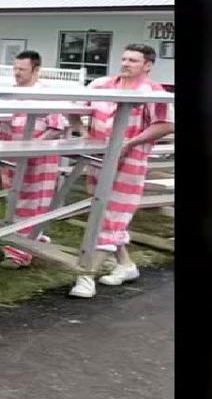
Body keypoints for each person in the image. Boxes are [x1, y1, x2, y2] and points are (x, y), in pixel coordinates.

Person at [67, 44, 175, 298]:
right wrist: (82, 131)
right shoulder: (101, 84)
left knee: (114, 216)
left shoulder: (152, 91)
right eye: (124, 59)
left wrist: (131, 142)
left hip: (131, 161)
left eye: (133, 60)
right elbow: (72, 109)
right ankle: (126, 265)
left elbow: (166, 124)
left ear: (147, 65)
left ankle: (86, 275)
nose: (126, 63)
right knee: (103, 214)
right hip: (99, 159)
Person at [0, 50, 67, 268]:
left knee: (33, 203)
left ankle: (20, 252)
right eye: (15, 68)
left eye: (22, 69)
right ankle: (30, 239)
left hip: (39, 159)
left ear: (35, 70)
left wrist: (33, 147)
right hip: (12, 155)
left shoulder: (45, 94)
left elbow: (56, 127)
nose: (17, 73)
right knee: (15, 200)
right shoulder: (11, 92)